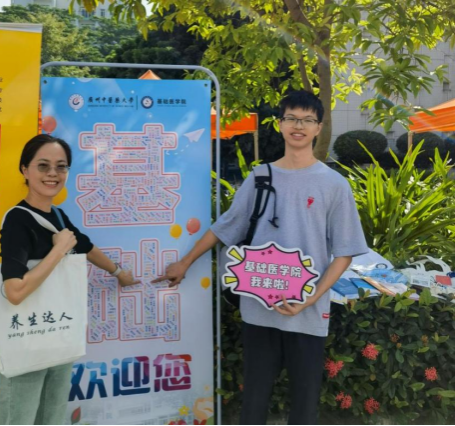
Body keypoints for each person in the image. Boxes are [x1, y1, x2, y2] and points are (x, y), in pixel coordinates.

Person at [154, 91, 369, 425]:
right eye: (291, 118)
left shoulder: (334, 185)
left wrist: (311, 298)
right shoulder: (260, 177)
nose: (299, 126)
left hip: (307, 313)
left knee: (305, 405)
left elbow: (344, 253)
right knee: (254, 401)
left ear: (318, 127)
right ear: (280, 124)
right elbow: (226, 227)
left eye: (307, 120)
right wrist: (185, 262)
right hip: (258, 310)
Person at [0, 134, 140, 425]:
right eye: (43, 165)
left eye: (61, 166)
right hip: (26, 340)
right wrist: (59, 249)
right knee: (20, 419)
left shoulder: (59, 216)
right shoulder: (17, 220)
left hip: (59, 335)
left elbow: (86, 247)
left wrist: (118, 273)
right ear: (25, 169)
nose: (52, 173)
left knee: (51, 418)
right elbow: (14, 291)